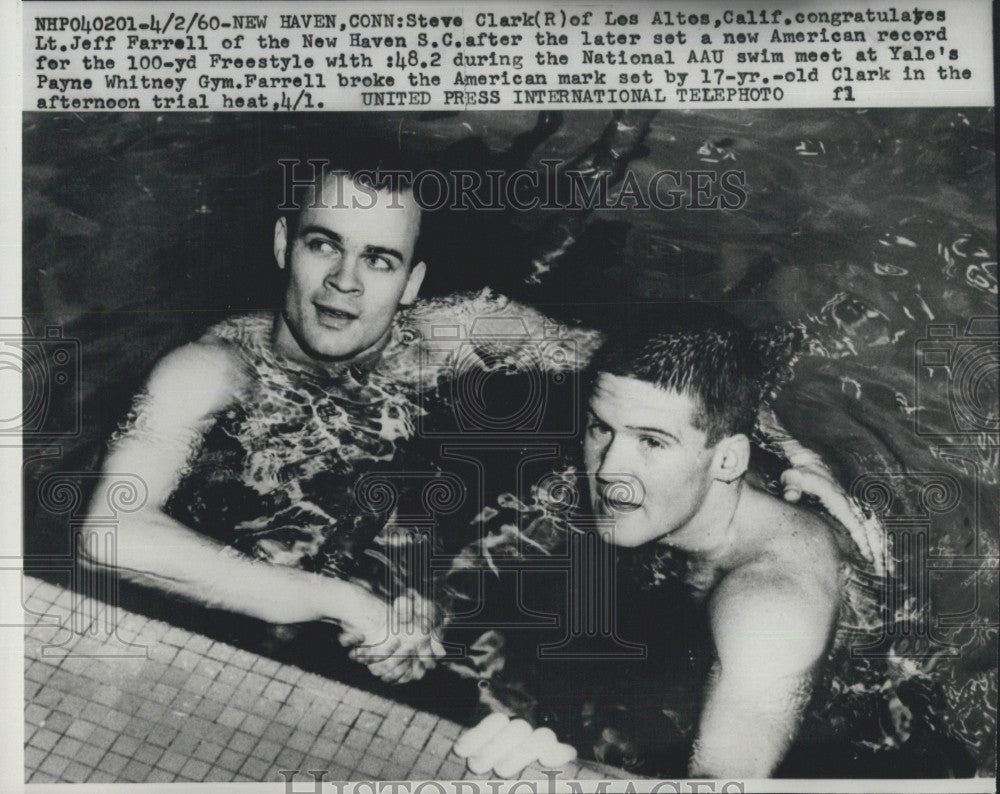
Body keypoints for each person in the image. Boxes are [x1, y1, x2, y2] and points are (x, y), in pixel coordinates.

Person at [84, 159, 881, 691]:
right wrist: (340, 602)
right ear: (283, 245)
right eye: (324, 246)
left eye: (380, 260)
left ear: (413, 280)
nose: (344, 285)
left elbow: (660, 372)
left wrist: (799, 454)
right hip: (274, 570)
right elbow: (113, 535)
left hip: (405, 534)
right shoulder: (213, 370)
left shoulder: (454, 332)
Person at [453, 312, 855, 778]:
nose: (608, 470)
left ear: (728, 459)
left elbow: (723, 782)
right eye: (601, 428)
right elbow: (473, 321)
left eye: (651, 442)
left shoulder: (770, 604)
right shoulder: (686, 480)